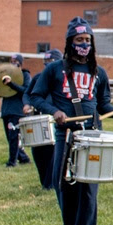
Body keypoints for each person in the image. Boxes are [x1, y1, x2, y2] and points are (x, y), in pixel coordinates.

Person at [27, 17, 113, 225]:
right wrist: (54, 111)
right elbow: (35, 96)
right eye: (79, 40)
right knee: (65, 187)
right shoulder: (55, 69)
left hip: (92, 135)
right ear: (70, 42)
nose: (84, 44)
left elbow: (103, 104)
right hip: (67, 136)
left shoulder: (98, 72)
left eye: (87, 40)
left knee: (88, 191)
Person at [30, 49, 62, 191]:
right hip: (40, 117)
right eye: (46, 63)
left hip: (56, 119)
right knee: (38, 151)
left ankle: (51, 183)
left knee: (53, 152)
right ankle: (44, 182)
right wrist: (26, 103)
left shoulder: (64, 78)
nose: (47, 66)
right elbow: (28, 94)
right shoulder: (39, 77)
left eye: (51, 63)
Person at [0, 53, 32, 168]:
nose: (12, 63)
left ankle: (12, 162)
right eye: (11, 60)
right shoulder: (6, 76)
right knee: (10, 138)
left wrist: (11, 84)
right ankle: (23, 158)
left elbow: (26, 90)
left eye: (15, 61)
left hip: (17, 110)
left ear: (20, 62)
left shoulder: (25, 74)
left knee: (14, 137)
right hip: (7, 110)